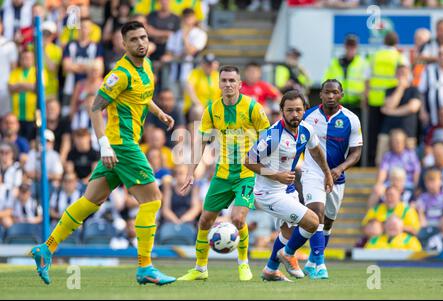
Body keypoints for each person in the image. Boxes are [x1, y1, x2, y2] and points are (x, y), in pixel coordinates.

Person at [30, 21, 176, 286]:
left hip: (122, 144)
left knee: (90, 201)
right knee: (152, 200)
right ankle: (145, 267)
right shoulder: (119, 73)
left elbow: (141, 97)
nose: (141, 43)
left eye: (143, 37)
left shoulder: (147, 66)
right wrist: (104, 145)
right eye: (134, 40)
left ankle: (46, 248)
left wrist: (158, 113)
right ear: (124, 44)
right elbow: (95, 108)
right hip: (121, 145)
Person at [178, 65, 270, 281]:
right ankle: (200, 269)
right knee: (205, 221)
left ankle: (243, 264)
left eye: (232, 81)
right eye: (224, 80)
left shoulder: (252, 108)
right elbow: (201, 141)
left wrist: (263, 162)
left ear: (239, 84)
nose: (228, 84)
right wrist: (191, 171)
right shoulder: (211, 109)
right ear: (219, 84)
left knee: (238, 218)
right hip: (222, 173)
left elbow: (268, 136)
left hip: (246, 174)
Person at [244, 90, 333, 281]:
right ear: (282, 111)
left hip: (287, 190)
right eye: (290, 110)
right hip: (267, 192)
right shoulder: (273, 136)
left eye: (298, 110)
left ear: (305, 110)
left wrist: (327, 173)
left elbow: (316, 151)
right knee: (312, 221)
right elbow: (248, 161)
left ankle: (270, 270)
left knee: (288, 230)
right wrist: (276, 175)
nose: (294, 114)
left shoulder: (306, 129)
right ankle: (288, 253)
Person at [301, 79, 363, 279]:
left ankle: (312, 261)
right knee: (316, 212)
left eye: (334, 92)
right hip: (313, 172)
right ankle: (320, 263)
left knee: (327, 222)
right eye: (327, 92)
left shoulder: (351, 119)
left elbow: (356, 152)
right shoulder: (308, 116)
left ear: (341, 95)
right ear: (320, 94)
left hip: (337, 175)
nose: (330, 96)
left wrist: (340, 168)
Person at [365, 31, 406, 166]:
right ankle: (389, 161)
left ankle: (372, 161)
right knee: (389, 132)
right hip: (392, 101)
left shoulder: (375, 56)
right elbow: (405, 78)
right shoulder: (400, 57)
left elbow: (367, 78)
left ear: (384, 42)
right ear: (396, 42)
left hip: (375, 99)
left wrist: (366, 96)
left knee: (373, 133)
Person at [379, 65, 422, 154]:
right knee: (381, 159)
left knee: (409, 163)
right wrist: (400, 88)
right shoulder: (389, 90)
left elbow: (412, 108)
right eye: (399, 73)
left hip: (408, 132)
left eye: (404, 73)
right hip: (388, 131)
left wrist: (390, 112)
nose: (402, 76)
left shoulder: (414, 90)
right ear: (395, 75)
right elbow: (390, 105)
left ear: (409, 75)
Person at [323, 35, 366, 120]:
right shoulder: (335, 63)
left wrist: (365, 97)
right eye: (348, 46)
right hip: (338, 104)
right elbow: (326, 82)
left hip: (356, 104)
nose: (350, 49)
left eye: (353, 46)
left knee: (355, 131)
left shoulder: (362, 63)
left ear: (356, 47)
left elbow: (368, 82)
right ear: (345, 46)